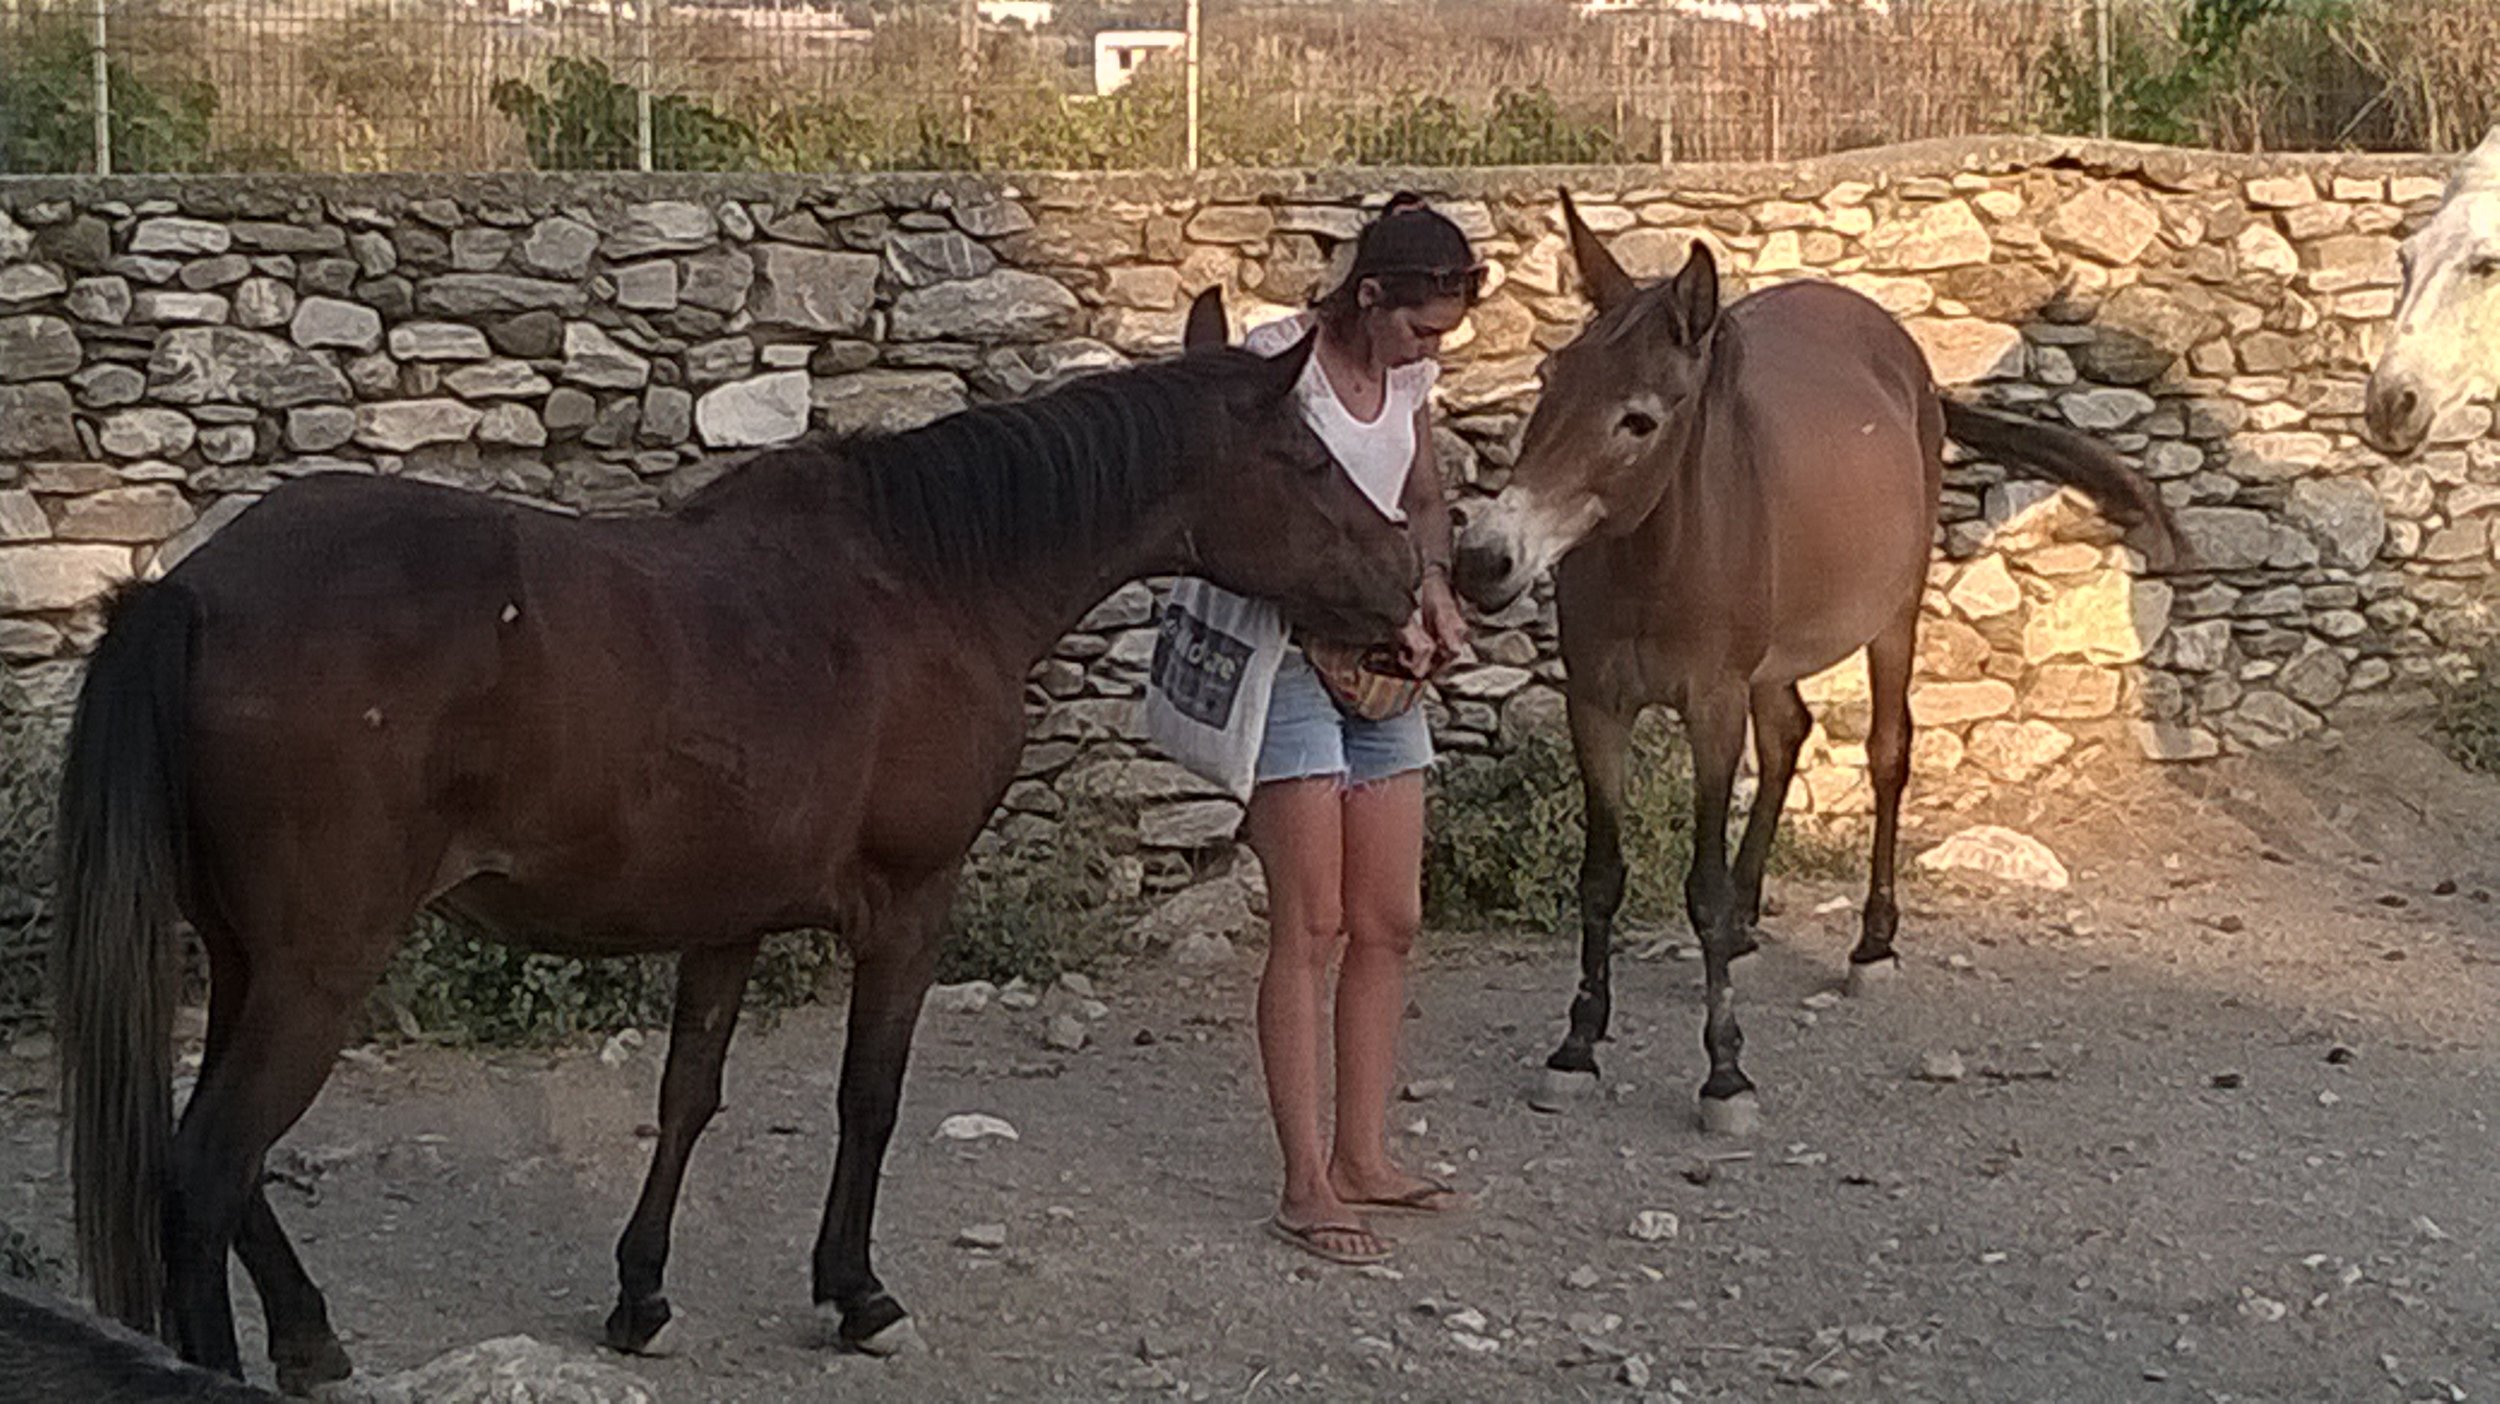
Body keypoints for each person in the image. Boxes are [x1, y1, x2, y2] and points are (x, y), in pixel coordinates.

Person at [1237, 193, 1481, 1267]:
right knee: (1313, 922)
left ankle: (1364, 1156)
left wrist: (1431, 590)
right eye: (1419, 329)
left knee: (1389, 918)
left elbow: (1422, 498)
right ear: (1369, 295)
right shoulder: (1270, 367)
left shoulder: (1408, 377)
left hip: (1388, 658)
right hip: (1289, 652)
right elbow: (1253, 518)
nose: (1429, 351)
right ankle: (1303, 1179)